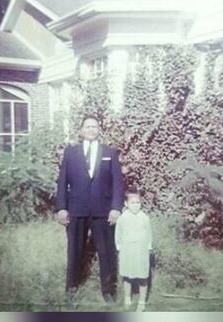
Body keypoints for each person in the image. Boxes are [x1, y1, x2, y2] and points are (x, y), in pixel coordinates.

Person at [55, 115, 124, 305]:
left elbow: (118, 183)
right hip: (76, 209)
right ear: (81, 130)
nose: (91, 129)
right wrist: (61, 208)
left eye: (94, 126)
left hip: (103, 211)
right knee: (74, 251)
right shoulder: (71, 153)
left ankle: (109, 291)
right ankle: (71, 289)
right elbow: (62, 182)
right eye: (88, 126)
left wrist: (116, 208)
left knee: (107, 252)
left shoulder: (110, 152)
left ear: (99, 129)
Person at [115, 186, 152, 312]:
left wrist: (148, 247)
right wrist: (119, 247)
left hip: (141, 251)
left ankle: (142, 302)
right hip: (127, 251)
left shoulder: (144, 218)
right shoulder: (122, 218)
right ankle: (127, 298)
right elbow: (118, 234)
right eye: (132, 203)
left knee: (142, 276)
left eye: (138, 203)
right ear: (126, 203)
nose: (135, 205)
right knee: (127, 276)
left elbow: (149, 234)